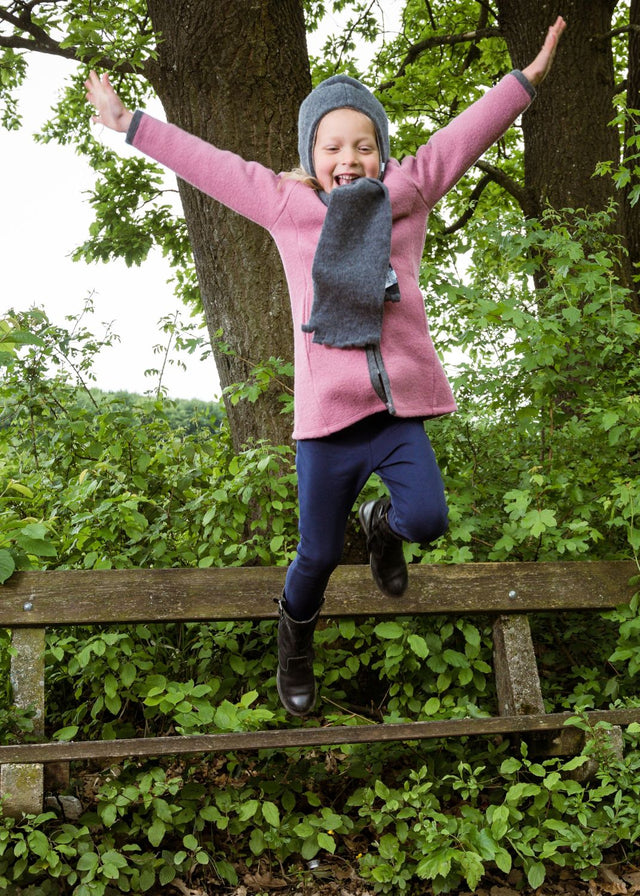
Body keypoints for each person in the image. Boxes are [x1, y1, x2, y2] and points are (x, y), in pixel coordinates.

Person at [86, 15, 565, 718]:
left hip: (396, 413)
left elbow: (466, 133)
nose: (350, 158)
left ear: (382, 152)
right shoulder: (287, 205)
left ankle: (381, 526)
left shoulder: (411, 193)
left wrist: (526, 80)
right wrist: (131, 123)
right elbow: (211, 164)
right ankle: (296, 639)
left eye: (364, 145)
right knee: (313, 556)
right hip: (329, 423)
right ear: (312, 154)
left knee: (427, 517)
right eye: (333, 145)